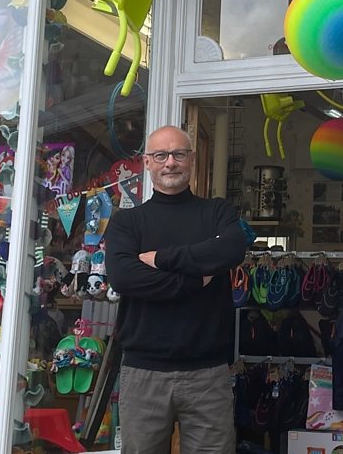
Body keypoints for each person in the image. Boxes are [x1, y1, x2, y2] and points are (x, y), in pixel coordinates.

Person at [107, 125, 247, 454]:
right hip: (143, 373)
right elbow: (125, 278)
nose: (170, 162)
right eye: (160, 155)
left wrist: (161, 258)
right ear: (147, 162)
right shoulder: (127, 222)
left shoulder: (217, 212)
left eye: (178, 154)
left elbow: (231, 249)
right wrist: (196, 278)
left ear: (192, 159)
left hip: (207, 374)